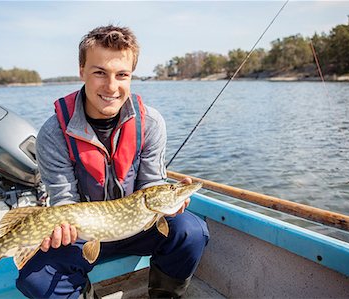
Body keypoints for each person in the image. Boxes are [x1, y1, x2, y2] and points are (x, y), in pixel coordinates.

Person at [16, 25, 209, 299]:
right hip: (83, 233)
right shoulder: (53, 133)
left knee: (191, 231)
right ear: (82, 70)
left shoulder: (151, 123)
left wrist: (170, 201)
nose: (111, 86)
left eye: (122, 75)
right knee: (36, 279)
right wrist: (60, 231)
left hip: (139, 224)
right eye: (99, 73)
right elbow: (64, 202)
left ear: (131, 76)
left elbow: (153, 183)